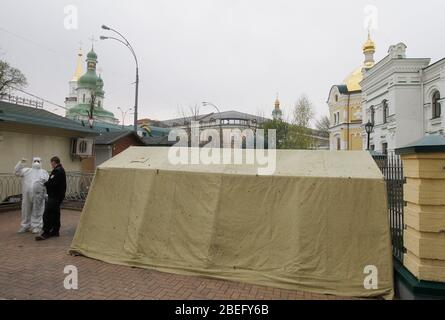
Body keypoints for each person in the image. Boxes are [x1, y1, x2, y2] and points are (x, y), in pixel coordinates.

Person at [14, 157, 49, 234]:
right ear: (32, 162)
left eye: (38, 161)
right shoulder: (27, 170)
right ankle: (25, 226)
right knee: (25, 210)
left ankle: (36, 226)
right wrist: (21, 163)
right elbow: (16, 172)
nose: (36, 162)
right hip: (27, 195)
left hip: (39, 196)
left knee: (38, 211)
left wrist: (46, 194)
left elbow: (47, 185)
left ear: (41, 162)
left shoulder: (44, 172)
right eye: (35, 161)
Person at [36, 156, 66, 241]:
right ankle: (55, 231)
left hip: (54, 196)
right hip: (58, 195)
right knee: (55, 213)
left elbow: (53, 183)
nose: (51, 165)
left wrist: (45, 183)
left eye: (51, 163)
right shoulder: (61, 169)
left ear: (54, 162)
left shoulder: (57, 171)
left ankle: (46, 232)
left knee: (47, 214)